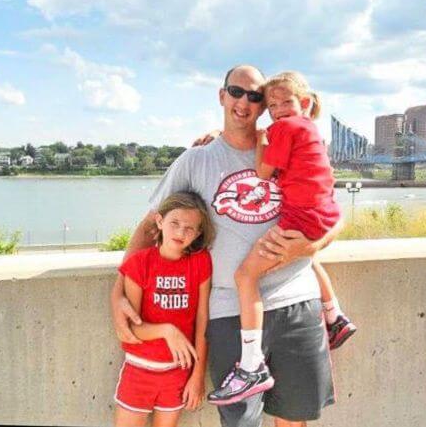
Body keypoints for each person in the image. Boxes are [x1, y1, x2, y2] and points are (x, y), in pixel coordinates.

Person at [111, 64, 341, 427]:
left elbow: (330, 215)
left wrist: (309, 247)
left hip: (296, 301)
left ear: (265, 105)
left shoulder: (290, 146)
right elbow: (148, 227)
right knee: (240, 423)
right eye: (236, 92)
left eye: (255, 96)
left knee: (294, 420)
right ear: (222, 95)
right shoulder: (196, 159)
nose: (244, 102)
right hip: (229, 312)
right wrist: (119, 293)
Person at [207, 71, 356, 405]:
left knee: (246, 275)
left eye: (283, 102)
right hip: (322, 213)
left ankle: (250, 366)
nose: (277, 110)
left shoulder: (282, 128)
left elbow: (262, 172)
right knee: (306, 258)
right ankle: (334, 315)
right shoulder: (312, 130)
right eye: (271, 105)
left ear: (303, 103)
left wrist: (262, 138)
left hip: (300, 220)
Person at [113, 192, 214, 427]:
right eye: (174, 223)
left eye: (189, 228)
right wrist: (167, 331)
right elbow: (132, 329)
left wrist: (197, 376)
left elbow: (203, 322)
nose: (180, 233)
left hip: (177, 374)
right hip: (138, 371)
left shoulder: (201, 261)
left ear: (199, 233)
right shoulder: (139, 263)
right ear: (160, 221)